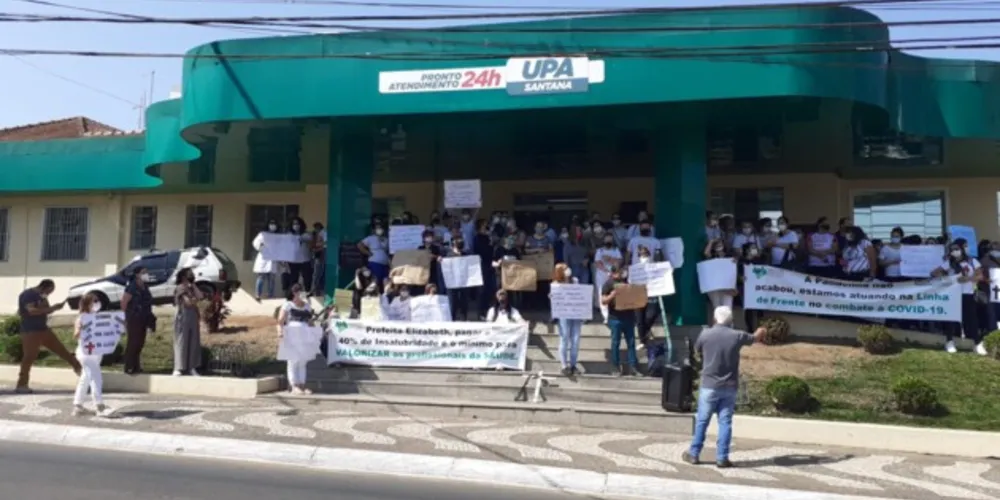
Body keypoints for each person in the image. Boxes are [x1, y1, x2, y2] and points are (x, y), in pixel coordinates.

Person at [683, 306, 767, 468]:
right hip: (729, 386)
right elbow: (755, 338)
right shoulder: (737, 336)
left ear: (714, 319)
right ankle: (722, 457)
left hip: (709, 385)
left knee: (702, 420)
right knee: (725, 422)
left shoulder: (705, 334)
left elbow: (697, 350)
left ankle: (694, 453)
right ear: (731, 321)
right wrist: (761, 329)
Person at [16, 279, 81, 393]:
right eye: (49, 291)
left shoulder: (42, 296)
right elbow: (31, 311)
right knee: (29, 357)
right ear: (43, 287)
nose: (49, 294)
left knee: (62, 351)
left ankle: (80, 370)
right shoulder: (28, 295)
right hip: (30, 331)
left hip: (43, 329)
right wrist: (51, 308)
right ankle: (22, 385)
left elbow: (46, 310)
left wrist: (56, 307)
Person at [932, 241, 987, 355]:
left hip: (968, 293)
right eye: (952, 250)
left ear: (962, 249)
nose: (954, 252)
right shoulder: (949, 263)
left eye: (957, 249)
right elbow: (934, 273)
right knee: (951, 320)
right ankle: (949, 341)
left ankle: (977, 344)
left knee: (972, 320)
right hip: (953, 295)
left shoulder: (972, 261)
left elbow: (980, 276)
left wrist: (968, 279)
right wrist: (945, 276)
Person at [72, 293, 113, 417]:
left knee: (85, 378)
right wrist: (82, 329)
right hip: (86, 354)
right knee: (96, 378)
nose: (97, 303)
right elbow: (76, 335)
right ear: (87, 303)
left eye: (97, 301)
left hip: (96, 353)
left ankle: (78, 405)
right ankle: (99, 406)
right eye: (94, 301)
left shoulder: (97, 317)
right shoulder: (82, 318)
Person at [601, 265, 641, 377]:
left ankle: (633, 366)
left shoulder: (627, 282)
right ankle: (615, 367)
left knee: (632, 343)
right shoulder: (608, 284)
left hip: (629, 317)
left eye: (623, 271)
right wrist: (612, 295)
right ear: (614, 272)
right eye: (620, 271)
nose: (622, 273)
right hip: (615, 319)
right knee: (615, 343)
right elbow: (603, 301)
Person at [276, 283, 314, 395]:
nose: (302, 294)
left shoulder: (307, 306)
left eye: (303, 292)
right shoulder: (288, 305)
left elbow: (310, 322)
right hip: (291, 335)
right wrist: (280, 332)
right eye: (299, 292)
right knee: (292, 360)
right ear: (294, 293)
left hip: (304, 336)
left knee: (302, 361)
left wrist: (314, 334)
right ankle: (294, 385)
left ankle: (302, 385)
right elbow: (280, 321)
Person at [121, 266, 154, 376]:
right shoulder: (132, 287)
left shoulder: (145, 287)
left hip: (144, 318)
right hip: (133, 318)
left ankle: (136, 366)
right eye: (143, 272)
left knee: (140, 343)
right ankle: (128, 366)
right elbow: (124, 302)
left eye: (146, 272)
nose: (146, 274)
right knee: (133, 342)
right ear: (137, 275)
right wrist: (126, 317)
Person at [551, 264, 582, 376]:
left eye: (567, 268)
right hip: (563, 314)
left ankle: (573, 364)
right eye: (564, 269)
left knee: (575, 340)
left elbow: (580, 294)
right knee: (564, 338)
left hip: (575, 313)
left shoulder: (575, 280)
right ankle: (564, 365)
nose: (567, 270)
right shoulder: (555, 284)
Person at [172, 268, 203, 377]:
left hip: (193, 315)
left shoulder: (191, 288)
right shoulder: (180, 288)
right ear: (183, 277)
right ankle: (179, 367)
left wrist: (194, 286)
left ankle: (192, 367)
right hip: (182, 315)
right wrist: (194, 300)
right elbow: (188, 302)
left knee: (193, 340)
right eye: (189, 274)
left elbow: (200, 296)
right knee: (182, 340)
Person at [594, 233, 623, 323]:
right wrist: (606, 271)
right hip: (602, 275)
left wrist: (610, 259)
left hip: (614, 275)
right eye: (607, 239)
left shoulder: (616, 250)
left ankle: (615, 314)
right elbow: (597, 263)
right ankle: (606, 316)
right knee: (601, 294)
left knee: (614, 293)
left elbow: (620, 261)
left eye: (610, 239)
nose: (608, 241)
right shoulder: (600, 251)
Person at [251, 219, 280, 301]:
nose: (273, 225)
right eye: (271, 223)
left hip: (273, 259)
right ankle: (258, 295)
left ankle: (270, 295)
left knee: (272, 279)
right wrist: (261, 248)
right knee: (261, 277)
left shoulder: (278, 236)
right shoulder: (262, 234)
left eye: (274, 224)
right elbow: (255, 243)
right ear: (268, 224)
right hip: (263, 258)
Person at [287, 217, 314, 293]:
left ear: (301, 225)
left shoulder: (306, 234)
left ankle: (307, 292)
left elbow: (310, 238)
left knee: (307, 278)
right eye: (294, 224)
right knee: (293, 278)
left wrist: (299, 236)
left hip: (305, 260)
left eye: (298, 224)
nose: (296, 225)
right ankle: (293, 294)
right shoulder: (289, 235)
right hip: (293, 260)